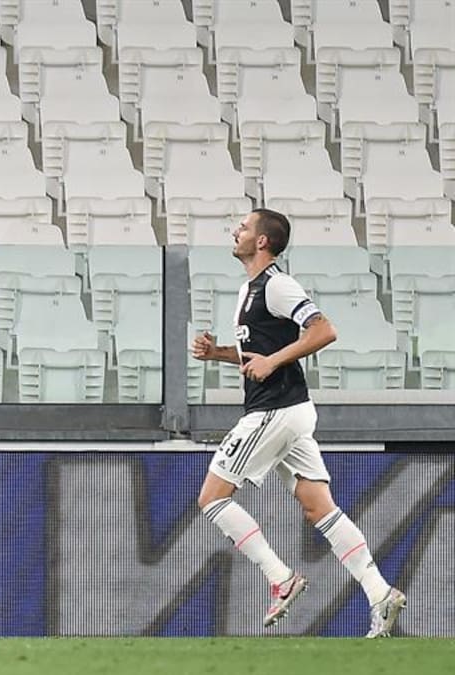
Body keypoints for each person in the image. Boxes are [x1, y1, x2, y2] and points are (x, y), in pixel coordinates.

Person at [192, 209, 407, 637]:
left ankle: (281, 578)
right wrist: (220, 354)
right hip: (291, 410)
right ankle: (380, 592)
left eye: (244, 227)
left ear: (262, 241)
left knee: (212, 499)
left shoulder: (277, 285)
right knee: (319, 507)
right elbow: (259, 355)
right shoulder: (249, 290)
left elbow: (323, 330)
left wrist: (273, 361)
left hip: (274, 410)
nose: (236, 231)